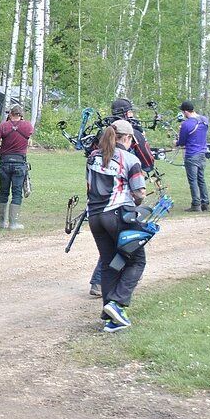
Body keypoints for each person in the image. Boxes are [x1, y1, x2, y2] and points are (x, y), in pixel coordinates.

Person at [89, 98, 155, 296]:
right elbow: (146, 163)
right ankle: (119, 297)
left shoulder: (95, 152)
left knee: (110, 253)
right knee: (133, 253)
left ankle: (103, 291)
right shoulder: (130, 154)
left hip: (95, 210)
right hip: (118, 207)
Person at [86, 121, 148, 333]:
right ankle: (117, 303)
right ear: (127, 138)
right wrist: (136, 202)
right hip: (117, 214)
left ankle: (110, 318)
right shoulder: (130, 159)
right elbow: (139, 193)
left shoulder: (93, 156)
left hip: (95, 217)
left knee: (109, 262)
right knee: (137, 261)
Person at [0, 104, 34, 230]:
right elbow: (29, 137)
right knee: (17, 192)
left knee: (3, 192)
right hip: (20, 164)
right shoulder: (27, 126)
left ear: (10, 114)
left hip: (4, 163)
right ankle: (13, 223)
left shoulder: (3, 126)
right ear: (21, 115)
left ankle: (2, 223)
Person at [175, 100, 210, 212]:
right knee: (201, 179)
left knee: (193, 180)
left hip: (191, 154)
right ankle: (205, 203)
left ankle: (196, 204)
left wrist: (175, 142)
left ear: (185, 112)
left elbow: (182, 141)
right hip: (202, 153)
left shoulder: (187, 124)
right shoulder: (204, 120)